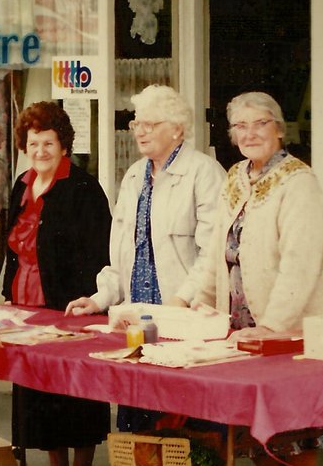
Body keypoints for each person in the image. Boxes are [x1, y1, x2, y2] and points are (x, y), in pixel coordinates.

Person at [177, 91, 323, 466]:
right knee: (247, 428)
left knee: (293, 428)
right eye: (240, 127)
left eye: (259, 124)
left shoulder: (298, 182)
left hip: (288, 328)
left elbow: (301, 264)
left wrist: (273, 326)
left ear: (279, 129)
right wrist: (192, 300)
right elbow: (215, 252)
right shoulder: (235, 178)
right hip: (242, 328)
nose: (249, 134)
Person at [66, 84, 225, 431]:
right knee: (139, 415)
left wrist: (183, 300)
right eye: (136, 123)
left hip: (182, 318)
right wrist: (99, 299)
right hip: (140, 318)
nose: (139, 131)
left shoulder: (204, 173)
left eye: (149, 124)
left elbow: (212, 252)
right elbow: (123, 253)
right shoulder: (135, 175)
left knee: (186, 420)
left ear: (177, 129)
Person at [2, 101, 112, 466]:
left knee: (74, 392)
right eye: (34, 143)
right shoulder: (22, 185)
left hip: (69, 305)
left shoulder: (83, 188)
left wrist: (89, 300)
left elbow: (99, 252)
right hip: (25, 302)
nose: (41, 151)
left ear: (63, 144)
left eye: (48, 142)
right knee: (39, 391)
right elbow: (12, 245)